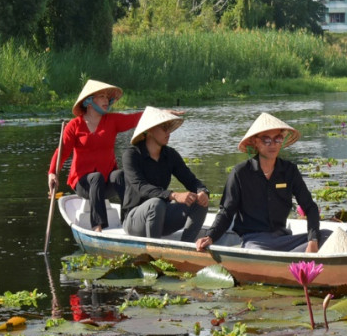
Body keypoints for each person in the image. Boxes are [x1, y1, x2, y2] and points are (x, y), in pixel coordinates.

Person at [195, 113, 327, 253]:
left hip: (283, 238)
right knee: (258, 252)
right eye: (266, 140)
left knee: (326, 236)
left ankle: (291, 260)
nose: (273, 145)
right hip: (255, 242)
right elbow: (226, 212)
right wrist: (210, 237)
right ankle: (290, 262)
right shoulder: (240, 173)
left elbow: (310, 207)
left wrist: (312, 241)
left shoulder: (289, 170)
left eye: (277, 139)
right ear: (255, 142)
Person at [47, 79, 142, 232]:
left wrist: (160, 115)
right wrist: (52, 173)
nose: (107, 100)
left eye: (107, 97)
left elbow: (136, 118)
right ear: (89, 101)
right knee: (95, 177)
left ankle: (130, 220)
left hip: (106, 183)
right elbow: (61, 152)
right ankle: (97, 227)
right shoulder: (74, 125)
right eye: (102, 96)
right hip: (83, 183)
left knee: (120, 175)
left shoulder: (112, 120)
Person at [120, 107, 209, 241]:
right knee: (156, 203)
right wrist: (173, 195)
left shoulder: (170, 154)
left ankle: (186, 248)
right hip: (134, 220)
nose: (168, 132)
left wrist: (202, 192)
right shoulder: (131, 155)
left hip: (161, 216)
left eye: (169, 128)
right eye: (163, 128)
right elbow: (141, 187)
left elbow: (191, 180)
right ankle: (155, 253)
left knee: (200, 203)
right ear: (150, 130)